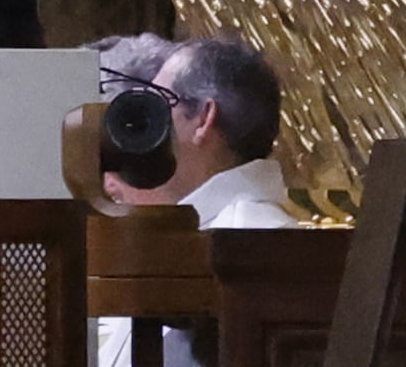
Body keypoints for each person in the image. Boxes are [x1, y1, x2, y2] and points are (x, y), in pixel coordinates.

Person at [95, 35, 303, 230]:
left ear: (203, 119)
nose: (142, 130)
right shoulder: (217, 230)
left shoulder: (244, 240)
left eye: (154, 107)